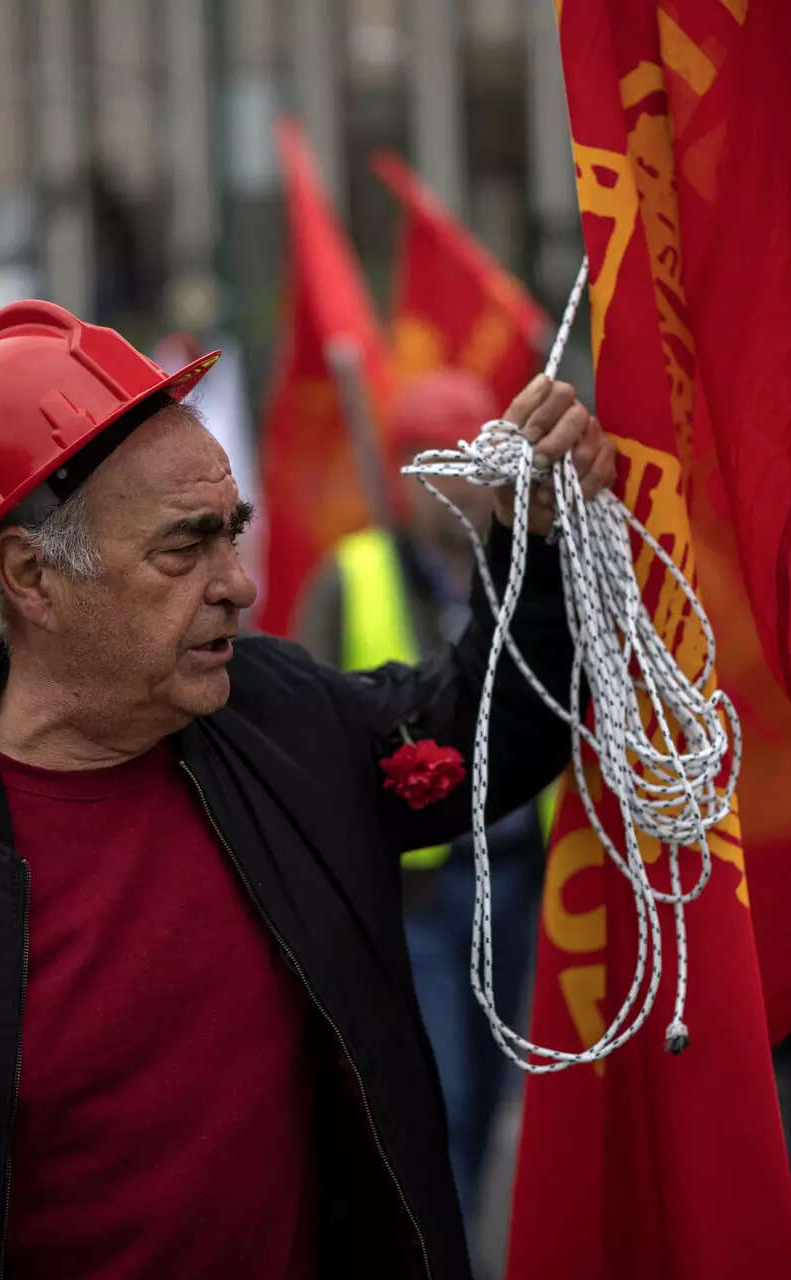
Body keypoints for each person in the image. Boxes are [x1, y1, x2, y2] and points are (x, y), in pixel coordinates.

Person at [0, 300, 611, 1277]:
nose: (238, 582)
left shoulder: (282, 720)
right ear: (32, 575)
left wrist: (544, 546)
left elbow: (484, 729)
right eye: (185, 546)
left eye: (233, 533)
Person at [293, 368, 548, 1245]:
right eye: (437, 463)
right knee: (436, 1091)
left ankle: (461, 1240)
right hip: (417, 896)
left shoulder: (507, 569)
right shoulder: (354, 575)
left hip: (513, 874)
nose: (460, 485)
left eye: (472, 464)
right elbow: (306, 737)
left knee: (488, 1087)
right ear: (404, 470)